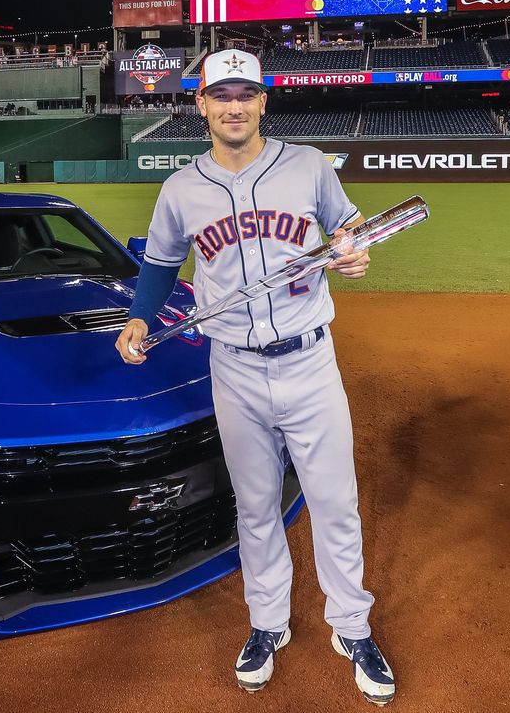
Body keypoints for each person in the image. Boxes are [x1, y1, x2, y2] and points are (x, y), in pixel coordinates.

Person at [114, 49, 395, 706]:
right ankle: (267, 624)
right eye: (221, 94)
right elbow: (159, 266)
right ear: (202, 105)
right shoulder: (180, 188)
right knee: (256, 506)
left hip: (309, 359)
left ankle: (351, 627)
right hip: (233, 368)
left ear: (264, 100)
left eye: (246, 93)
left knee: (334, 501)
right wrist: (137, 319)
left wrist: (354, 247)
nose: (234, 105)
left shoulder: (307, 165)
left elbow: (347, 226)